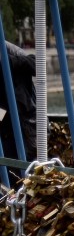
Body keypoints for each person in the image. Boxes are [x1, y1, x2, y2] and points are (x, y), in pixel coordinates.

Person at [0, 41, 38, 181]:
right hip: (9, 121)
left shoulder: (8, 51)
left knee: (24, 171)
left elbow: (36, 64)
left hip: (26, 123)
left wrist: (7, 61)